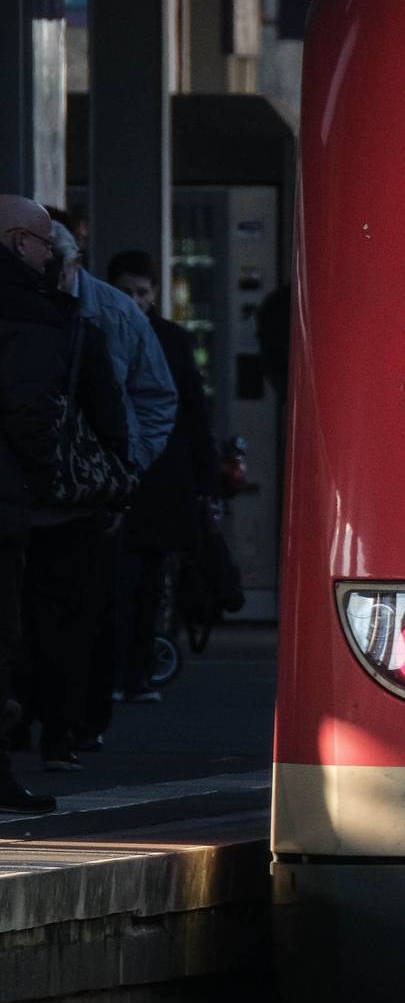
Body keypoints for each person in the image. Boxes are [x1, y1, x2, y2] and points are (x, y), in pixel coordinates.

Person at [0, 197, 126, 811]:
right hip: (18, 501)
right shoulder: (34, 313)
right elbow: (30, 410)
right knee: (25, 628)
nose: (52, 255)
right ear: (20, 241)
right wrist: (50, 477)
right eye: (46, 244)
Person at [42, 220, 170, 764]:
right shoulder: (96, 314)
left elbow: (152, 397)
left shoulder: (109, 314)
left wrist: (126, 468)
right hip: (62, 483)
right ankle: (59, 721)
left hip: (90, 486)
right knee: (60, 609)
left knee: (84, 608)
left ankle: (74, 720)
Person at [105, 251, 213, 704]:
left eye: (141, 293)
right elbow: (191, 408)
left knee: (139, 580)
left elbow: (192, 410)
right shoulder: (169, 339)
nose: (135, 301)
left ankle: (131, 670)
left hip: (148, 477)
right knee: (137, 579)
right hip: (158, 474)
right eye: (129, 292)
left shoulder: (107, 330)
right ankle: (131, 671)